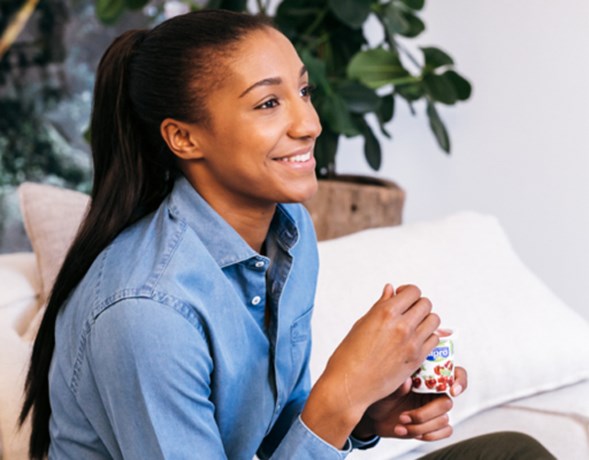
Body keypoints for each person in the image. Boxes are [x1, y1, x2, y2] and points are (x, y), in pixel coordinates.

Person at [19, 9, 555, 460]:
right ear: (183, 137)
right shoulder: (145, 311)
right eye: (269, 103)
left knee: (512, 452)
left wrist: (364, 411)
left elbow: (272, 427)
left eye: (303, 90)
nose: (310, 123)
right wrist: (339, 396)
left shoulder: (288, 229)